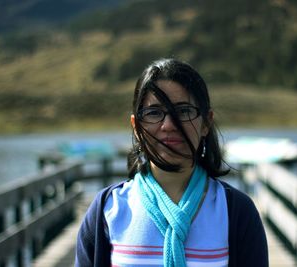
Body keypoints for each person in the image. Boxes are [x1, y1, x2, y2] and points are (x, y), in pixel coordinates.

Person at [75, 58, 268, 267]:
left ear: (206, 122)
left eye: (183, 111)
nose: (169, 125)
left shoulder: (235, 210)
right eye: (154, 112)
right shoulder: (107, 208)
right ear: (136, 126)